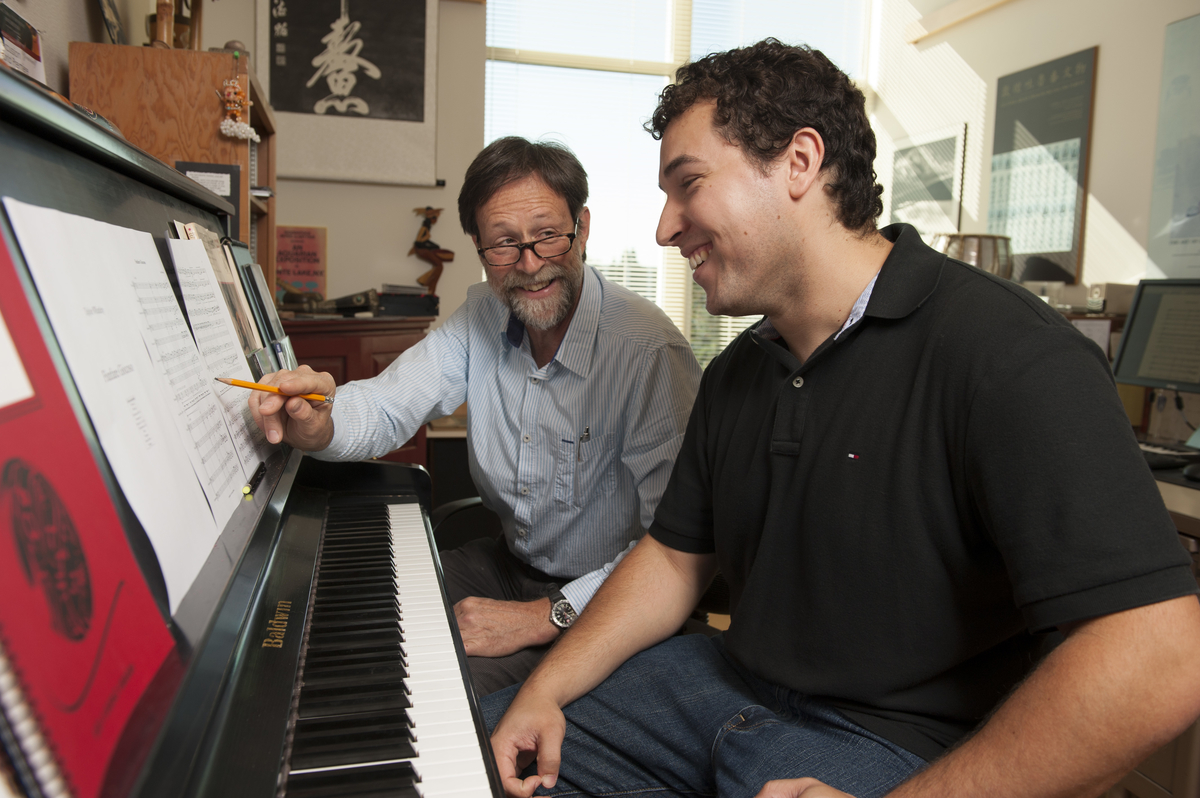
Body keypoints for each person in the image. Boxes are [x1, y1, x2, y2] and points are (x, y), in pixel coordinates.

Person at [484, 39, 1200, 798]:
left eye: (687, 184)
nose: (666, 227)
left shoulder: (1010, 355)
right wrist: (546, 689)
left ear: (800, 162)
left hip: (899, 748)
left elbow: (1160, 657)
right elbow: (671, 560)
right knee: (467, 753)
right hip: (718, 689)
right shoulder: (736, 374)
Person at [249, 136, 702, 694]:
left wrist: (544, 615)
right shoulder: (482, 315)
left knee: (434, 689)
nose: (530, 266)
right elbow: (389, 404)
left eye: (547, 236)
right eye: (504, 245)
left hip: (611, 601)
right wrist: (322, 419)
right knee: (349, 617)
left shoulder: (649, 354)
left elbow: (680, 549)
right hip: (507, 566)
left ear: (582, 228)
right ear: (478, 247)